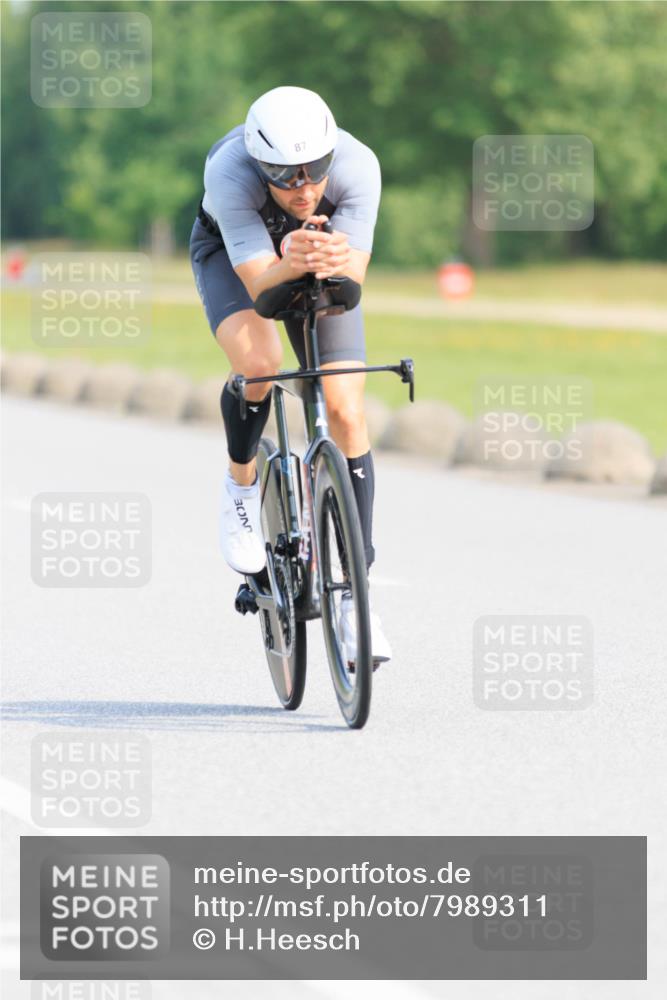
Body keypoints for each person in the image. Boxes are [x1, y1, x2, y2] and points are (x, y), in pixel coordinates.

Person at [190, 85, 390, 665]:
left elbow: (350, 285)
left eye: (315, 171)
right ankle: (241, 485)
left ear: (332, 152)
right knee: (260, 363)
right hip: (239, 261)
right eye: (285, 175)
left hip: (313, 258)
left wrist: (327, 262)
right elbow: (262, 291)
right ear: (259, 163)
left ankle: (356, 595)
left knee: (348, 408)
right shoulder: (229, 173)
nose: (304, 188)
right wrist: (290, 260)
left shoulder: (359, 166)